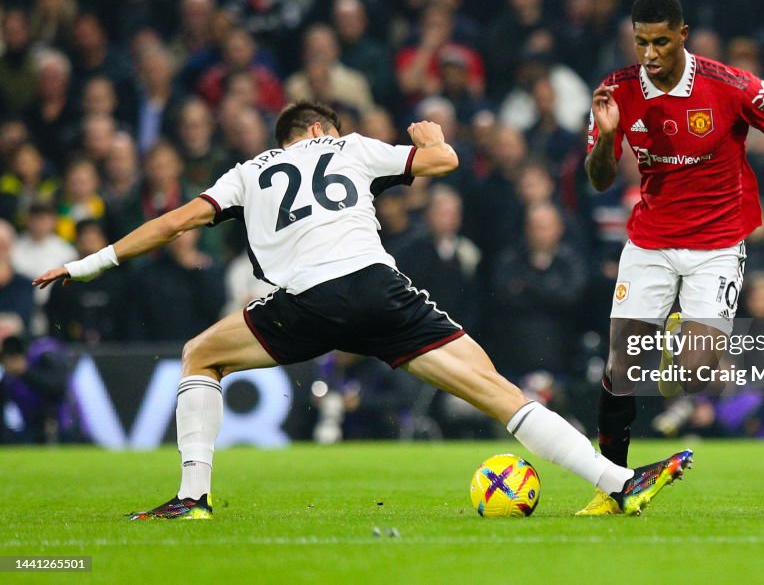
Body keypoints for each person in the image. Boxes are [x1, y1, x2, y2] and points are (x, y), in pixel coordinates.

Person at [35, 100, 692, 520]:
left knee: (199, 356)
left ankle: (192, 497)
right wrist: (431, 134)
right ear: (320, 130)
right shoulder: (347, 146)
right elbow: (443, 159)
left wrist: (84, 263)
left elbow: (174, 223)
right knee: (496, 390)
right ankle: (617, 479)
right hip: (379, 289)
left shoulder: (245, 173)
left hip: (308, 301)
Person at [579, 0, 764, 515]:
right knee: (621, 364)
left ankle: (676, 336)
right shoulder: (616, 93)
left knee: (694, 374)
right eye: (641, 41)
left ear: (683, 34)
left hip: (717, 245)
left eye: (661, 41)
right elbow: (601, 180)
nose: (650, 53)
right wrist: (606, 140)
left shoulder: (728, 84)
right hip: (650, 240)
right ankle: (614, 487)